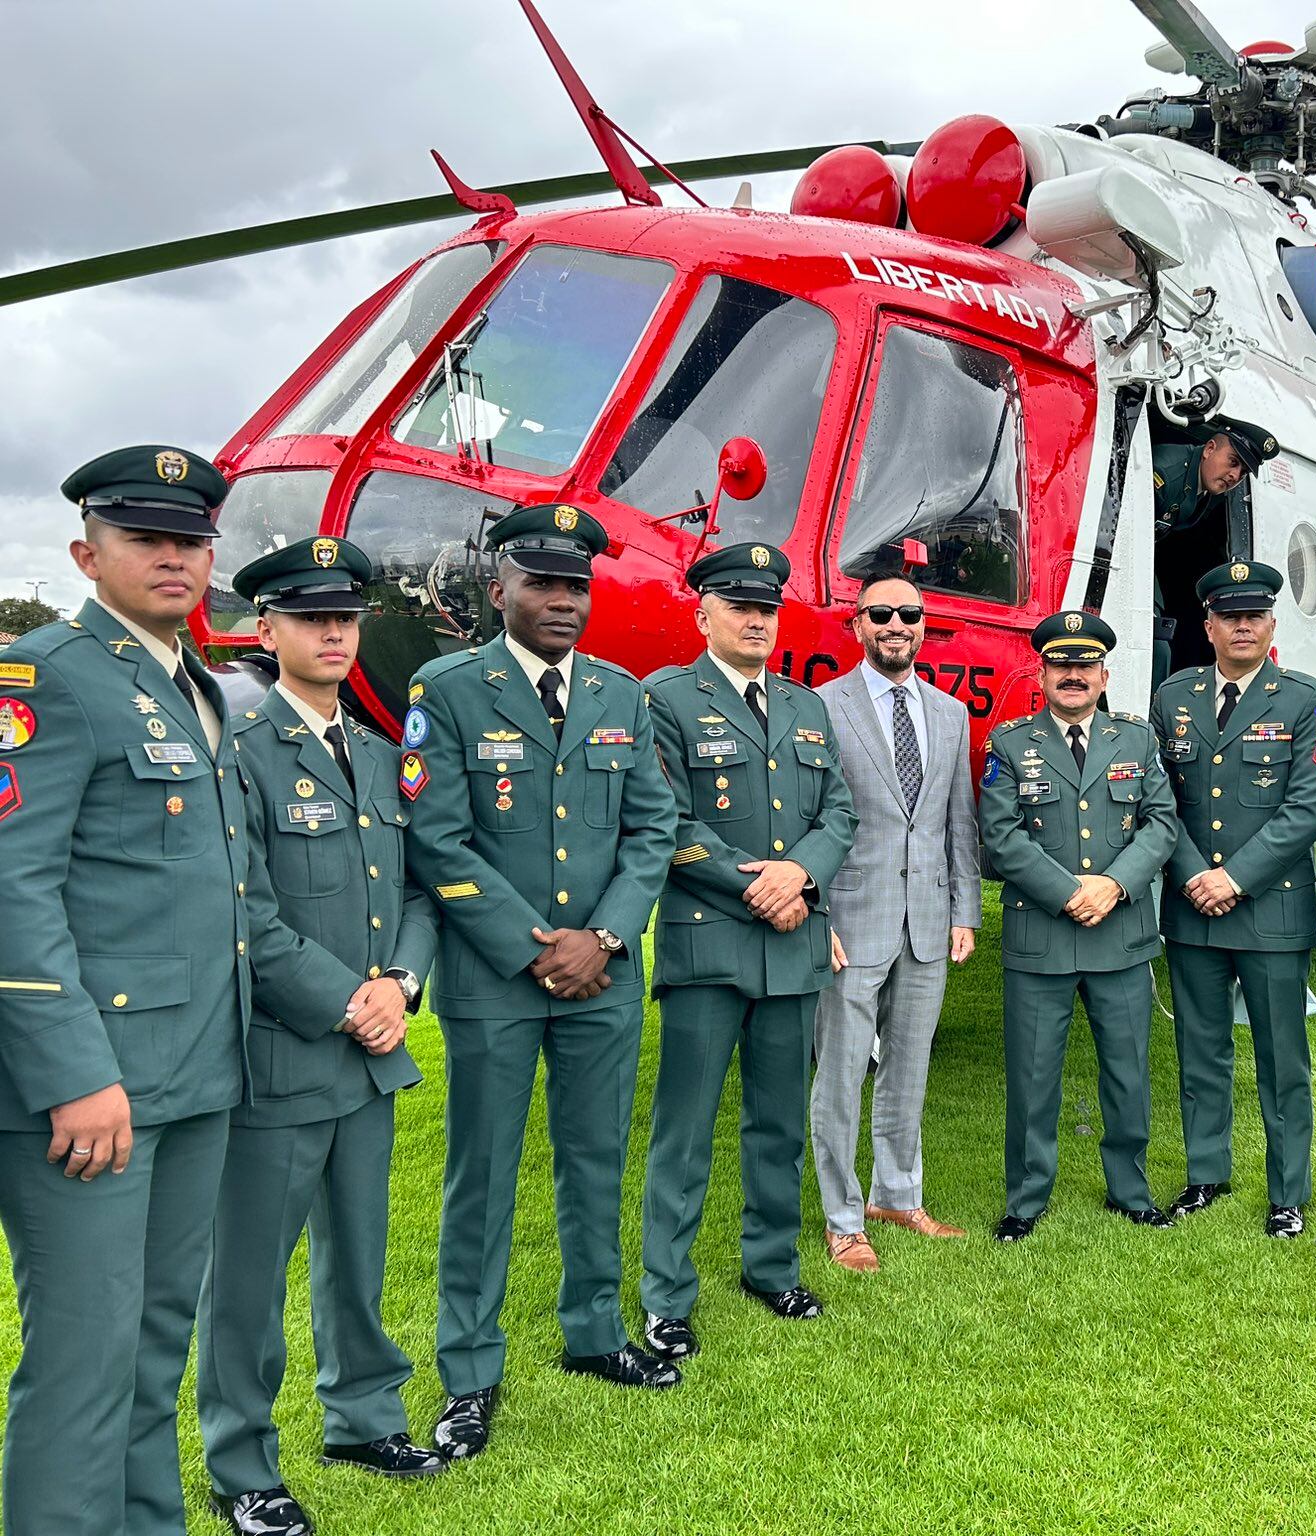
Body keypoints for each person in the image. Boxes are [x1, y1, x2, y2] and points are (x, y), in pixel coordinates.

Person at [0, 446, 353, 1534]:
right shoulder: (47, 676)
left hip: (204, 1074)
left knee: (156, 1340)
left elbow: (229, 893)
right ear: (84, 552)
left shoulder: (198, 684)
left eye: (190, 540)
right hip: (98, 1091)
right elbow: (13, 889)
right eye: (144, 537)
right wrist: (71, 1077)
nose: (172, 557)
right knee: (85, 1356)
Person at [406, 502, 679, 1462]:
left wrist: (602, 935)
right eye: (543, 583)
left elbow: (652, 829)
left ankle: (595, 1332)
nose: (563, 600)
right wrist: (536, 946)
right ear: (500, 591)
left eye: (577, 586)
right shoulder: (447, 690)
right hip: (495, 980)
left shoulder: (621, 695)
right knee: (480, 1177)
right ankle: (469, 1371)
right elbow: (434, 837)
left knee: (596, 1158)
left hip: (601, 975)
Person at [199, 537, 445, 1534]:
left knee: (359, 1251)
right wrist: (349, 999)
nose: (333, 632)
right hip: (284, 1057)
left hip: (372, 1055)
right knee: (251, 1274)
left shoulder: (385, 759)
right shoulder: (243, 757)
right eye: (308, 617)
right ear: (267, 630)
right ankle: (241, 1462)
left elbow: (420, 892)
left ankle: (362, 1417)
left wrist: (401, 981)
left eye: (344, 615)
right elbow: (241, 911)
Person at [640, 544, 857, 1348]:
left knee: (777, 1124)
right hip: (711, 947)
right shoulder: (664, 699)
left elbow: (839, 812)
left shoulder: (806, 706)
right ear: (703, 616)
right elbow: (665, 823)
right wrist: (756, 886)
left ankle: (772, 1267)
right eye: (740, 606)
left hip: (794, 948)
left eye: (767, 607)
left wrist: (800, 875)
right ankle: (667, 1292)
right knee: (685, 1129)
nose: (758, 620)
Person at [981, 612, 1179, 1239]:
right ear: (1042, 672)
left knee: (1127, 1072)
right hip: (1041, 936)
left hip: (1119, 935)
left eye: (1084, 665)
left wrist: (1114, 884)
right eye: (1061, 665)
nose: (1073, 675)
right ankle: (1026, 1198)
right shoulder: (1010, 744)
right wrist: (1069, 893)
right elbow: (1000, 838)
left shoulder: (1137, 740)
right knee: (1033, 1076)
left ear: (1103, 674)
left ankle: (1130, 1188)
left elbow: (1162, 824)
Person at [1151, 561, 1316, 1238]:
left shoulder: (1301, 698)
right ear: (1209, 626)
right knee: (1200, 1052)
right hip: (1193, 906)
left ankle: (1287, 1192)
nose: (1242, 627)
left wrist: (1234, 877)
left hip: (1270, 909)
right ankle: (1206, 1175)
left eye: (1254, 616)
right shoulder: (1175, 696)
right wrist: (1198, 874)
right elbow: (1158, 796)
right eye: (1230, 616)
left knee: (1282, 1059)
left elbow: (1307, 806)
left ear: (1271, 624)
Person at [810, 574, 980, 1273]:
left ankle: (897, 1195)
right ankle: (843, 1218)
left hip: (929, 922)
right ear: (857, 626)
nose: (896, 625)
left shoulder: (950, 713)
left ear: (922, 625)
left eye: (908, 614)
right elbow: (808, 819)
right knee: (842, 1076)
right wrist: (817, 915)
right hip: (851, 919)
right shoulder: (822, 706)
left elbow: (957, 821)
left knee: (908, 1069)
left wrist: (965, 909)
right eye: (880, 614)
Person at [1150, 414, 1277, 689]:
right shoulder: (1164, 473)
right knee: (1157, 645)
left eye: (1242, 472)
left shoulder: (1210, 489)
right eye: (1233, 462)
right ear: (1209, 449)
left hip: (1149, 564)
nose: (1234, 476)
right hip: (1132, 564)